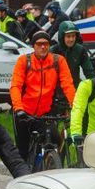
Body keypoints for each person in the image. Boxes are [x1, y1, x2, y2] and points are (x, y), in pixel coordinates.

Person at [10, 30, 77, 163]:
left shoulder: (58, 61)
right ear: (33, 46)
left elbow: (68, 85)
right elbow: (15, 86)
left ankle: (49, 165)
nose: (43, 47)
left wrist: (75, 106)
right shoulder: (24, 61)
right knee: (22, 151)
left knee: (56, 141)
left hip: (46, 113)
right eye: (39, 44)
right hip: (24, 112)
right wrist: (18, 108)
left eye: (46, 44)